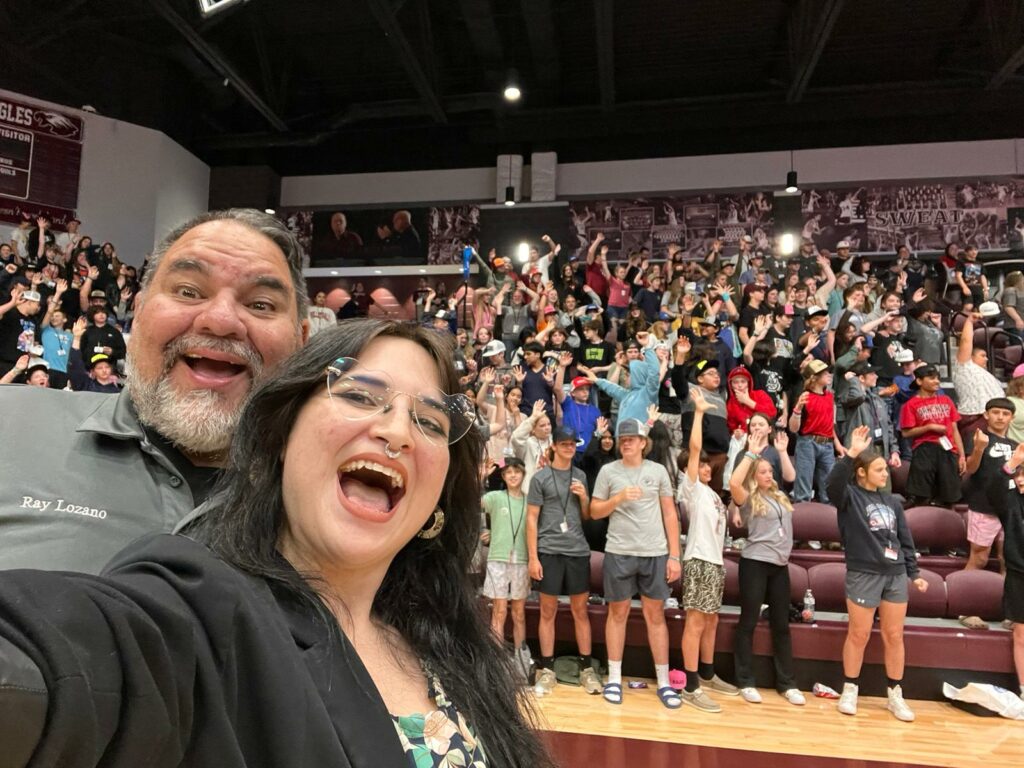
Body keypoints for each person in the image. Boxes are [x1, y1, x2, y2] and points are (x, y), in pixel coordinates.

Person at [0, 320, 553, 768]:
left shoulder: (450, 641)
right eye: (360, 396)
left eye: (430, 423)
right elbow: (71, 665)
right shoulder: (201, 608)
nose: (397, 432)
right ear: (282, 436)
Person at [0, 209, 310, 573]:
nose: (221, 321)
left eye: (260, 304)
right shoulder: (10, 421)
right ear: (139, 309)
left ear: (301, 341)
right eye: (188, 291)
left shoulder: (332, 503)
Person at [827, 425, 928, 722]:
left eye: (886, 469)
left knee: (894, 635)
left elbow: (904, 539)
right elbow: (832, 485)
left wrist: (914, 573)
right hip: (863, 573)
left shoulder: (892, 502)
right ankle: (850, 689)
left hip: (894, 574)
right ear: (862, 473)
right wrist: (851, 453)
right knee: (858, 634)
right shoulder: (849, 497)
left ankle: (895, 694)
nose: (886, 474)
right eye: (879, 470)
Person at [589, 418, 681, 708]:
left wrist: (674, 555)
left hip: (655, 552)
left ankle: (664, 682)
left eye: (631, 438)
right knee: (618, 614)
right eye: (622, 439)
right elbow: (594, 511)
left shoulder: (658, 471)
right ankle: (614, 679)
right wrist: (618, 498)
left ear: (643, 442)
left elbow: (670, 514)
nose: (626, 442)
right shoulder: (608, 471)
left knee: (656, 616)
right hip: (619, 551)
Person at [728, 429, 805, 706]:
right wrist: (750, 454)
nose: (768, 475)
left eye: (770, 471)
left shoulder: (779, 495)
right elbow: (733, 482)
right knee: (748, 621)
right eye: (763, 472)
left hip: (780, 566)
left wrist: (782, 452)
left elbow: (791, 476)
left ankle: (787, 683)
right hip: (755, 563)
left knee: (781, 625)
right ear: (753, 475)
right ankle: (745, 681)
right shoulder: (748, 497)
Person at [526, 425, 601, 697]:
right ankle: (547, 670)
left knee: (581, 611)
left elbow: (586, 515)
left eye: (572, 444)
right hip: (549, 550)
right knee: (548, 611)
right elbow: (531, 518)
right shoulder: (540, 478)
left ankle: (586, 669)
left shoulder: (579, 475)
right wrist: (533, 557)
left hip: (577, 550)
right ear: (554, 446)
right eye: (565, 444)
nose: (569, 447)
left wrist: (584, 498)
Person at [676, 388, 739, 712]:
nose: (705, 468)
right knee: (696, 622)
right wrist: (699, 412)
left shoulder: (713, 495)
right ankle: (690, 686)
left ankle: (708, 673)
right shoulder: (692, 489)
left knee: (711, 621)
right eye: (699, 465)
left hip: (715, 562)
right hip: (699, 560)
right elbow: (695, 447)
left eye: (705, 466)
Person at [958, 398, 1018, 629]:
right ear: (986, 415)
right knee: (979, 558)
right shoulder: (978, 438)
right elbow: (970, 469)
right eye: (996, 412)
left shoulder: (1015, 444)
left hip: (1011, 508)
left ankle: (1010, 613)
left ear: (1012, 417)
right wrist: (979, 448)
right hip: (983, 506)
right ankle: (965, 609)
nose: (1000, 417)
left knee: (1009, 561)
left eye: (1005, 413)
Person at [481, 456, 532, 674]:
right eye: (508, 472)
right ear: (502, 476)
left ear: (523, 474)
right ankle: (497, 661)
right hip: (498, 559)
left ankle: (521, 660)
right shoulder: (495, 497)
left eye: (517, 471)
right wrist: (480, 478)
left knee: (518, 612)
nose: (513, 475)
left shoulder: (530, 501)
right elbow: (470, 503)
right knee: (499, 611)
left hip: (521, 560)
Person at [900, 364, 965, 508]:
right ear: (919, 381)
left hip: (949, 450)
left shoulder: (947, 400)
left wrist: (961, 455)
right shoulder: (910, 405)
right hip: (924, 450)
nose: (937, 381)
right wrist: (929, 427)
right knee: (921, 495)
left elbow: (955, 430)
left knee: (950, 496)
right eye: (931, 378)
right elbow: (906, 433)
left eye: (937, 378)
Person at [789, 360, 841, 503]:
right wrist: (798, 409)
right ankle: (803, 512)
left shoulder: (830, 396)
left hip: (827, 443)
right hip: (808, 442)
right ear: (814, 377)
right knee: (804, 486)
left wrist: (837, 444)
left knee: (829, 488)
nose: (829, 375)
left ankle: (828, 513)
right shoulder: (804, 397)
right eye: (824, 373)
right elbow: (793, 428)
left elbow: (830, 423)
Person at [998, 443, 1024, 701]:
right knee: (1021, 634)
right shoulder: (1011, 501)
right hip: (1018, 574)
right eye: (1018, 475)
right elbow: (994, 488)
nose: (1021, 480)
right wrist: (1011, 464)